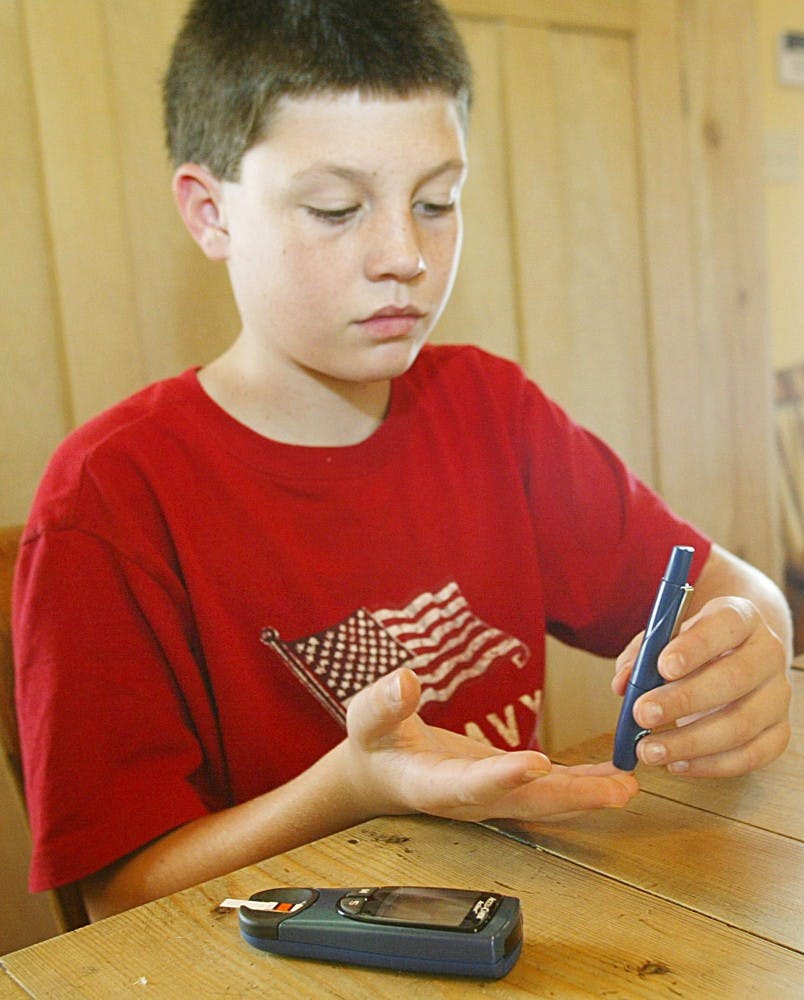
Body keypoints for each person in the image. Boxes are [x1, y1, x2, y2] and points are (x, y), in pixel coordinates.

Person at [13, 0, 792, 922]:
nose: (405, 256)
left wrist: (750, 638)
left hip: (516, 921)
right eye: (337, 208)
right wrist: (356, 785)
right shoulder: (109, 499)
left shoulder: (490, 412)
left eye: (436, 201)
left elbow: (733, 590)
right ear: (209, 210)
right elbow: (115, 897)